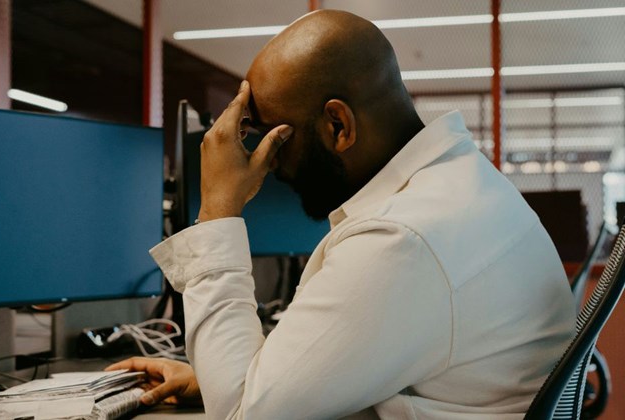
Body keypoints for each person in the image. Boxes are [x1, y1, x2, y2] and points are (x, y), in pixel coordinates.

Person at [107, 9, 574, 419]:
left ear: (338, 125)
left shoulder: (402, 239)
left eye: (273, 135)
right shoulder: (461, 187)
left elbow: (240, 416)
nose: (268, 163)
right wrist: (227, 380)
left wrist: (218, 212)